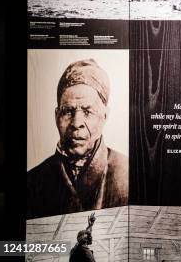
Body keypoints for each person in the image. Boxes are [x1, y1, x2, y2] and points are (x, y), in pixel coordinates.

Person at [26, 59, 128, 219]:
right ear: (56, 116)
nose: (76, 123)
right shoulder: (32, 182)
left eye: (87, 111)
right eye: (68, 111)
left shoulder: (129, 175)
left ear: (104, 116)